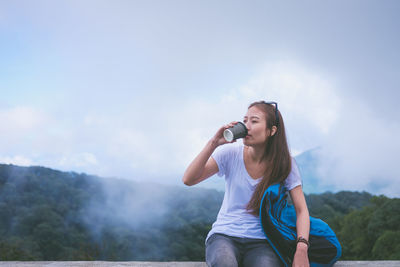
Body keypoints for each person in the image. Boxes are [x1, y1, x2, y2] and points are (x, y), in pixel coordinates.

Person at [182, 101, 310, 267]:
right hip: (224, 235)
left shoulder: (285, 163)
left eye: (254, 121)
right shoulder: (229, 154)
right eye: (245, 120)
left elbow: (302, 210)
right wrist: (214, 142)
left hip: (263, 241)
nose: (246, 126)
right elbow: (189, 179)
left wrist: (301, 248)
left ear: (272, 131)